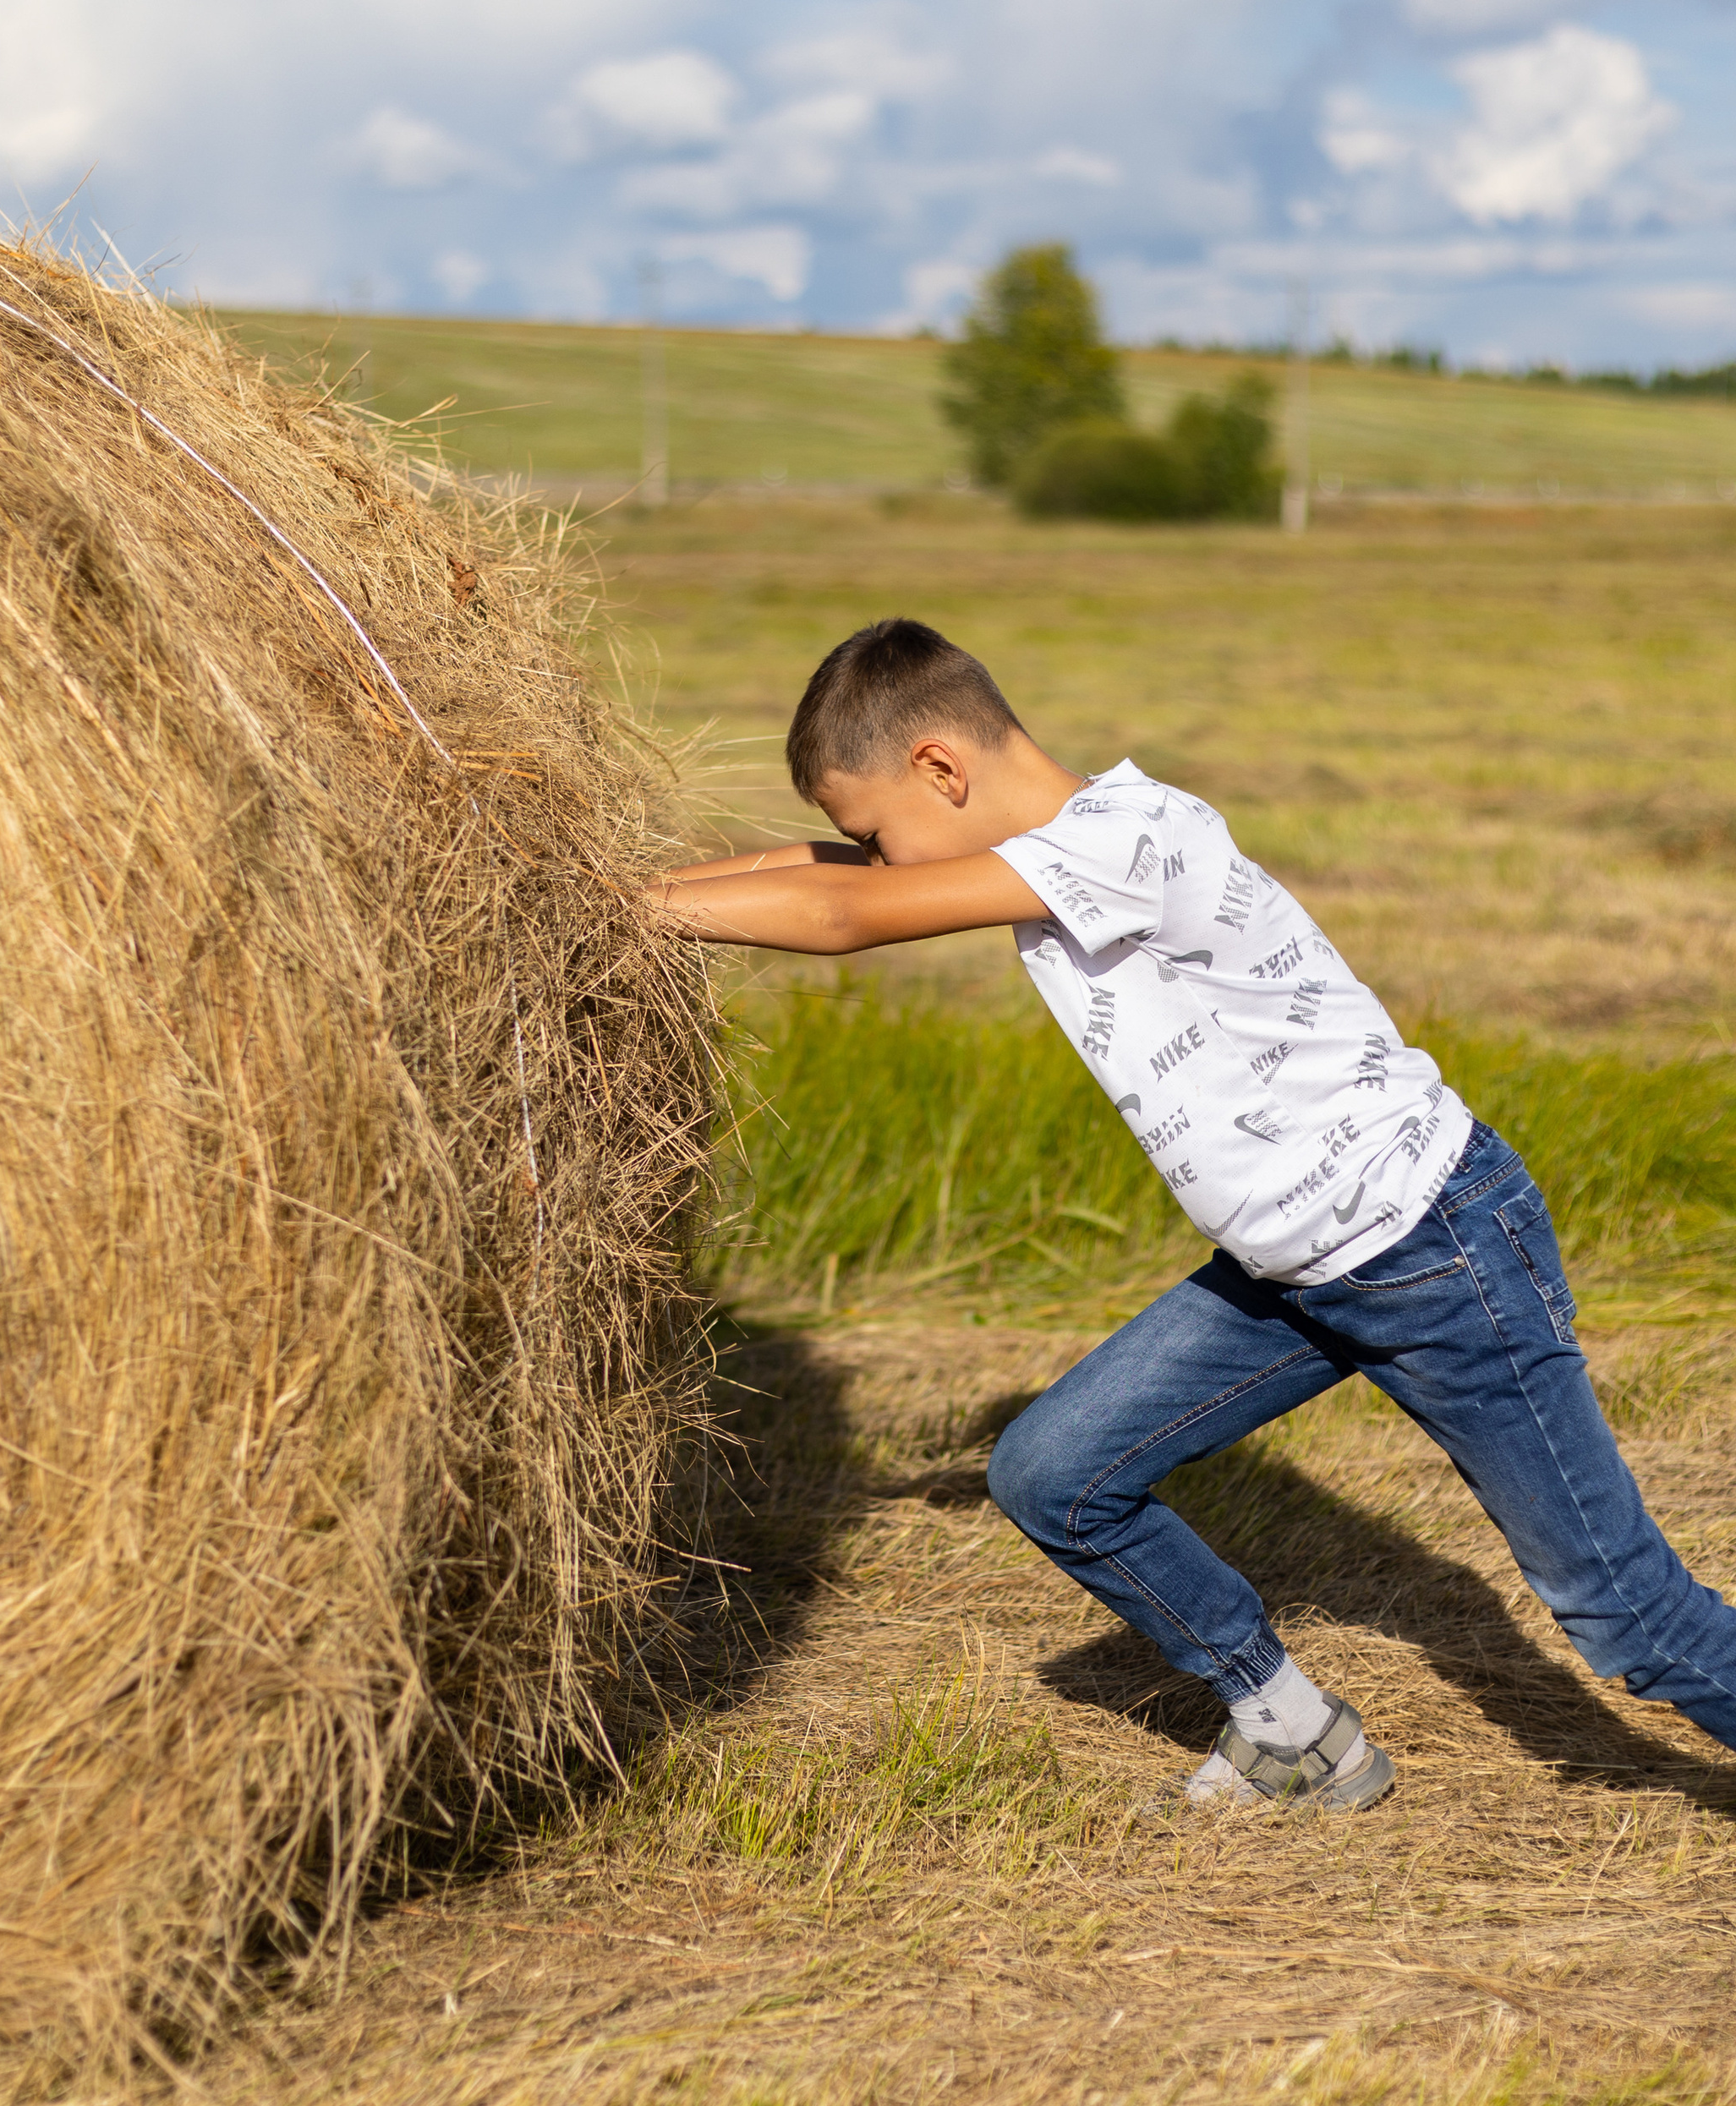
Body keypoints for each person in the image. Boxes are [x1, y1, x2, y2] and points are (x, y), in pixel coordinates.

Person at [650, 615, 1736, 1810]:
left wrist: (630, 912)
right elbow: (824, 873)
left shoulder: (1129, 839)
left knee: (1629, 1618)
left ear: (940, 769)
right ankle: (1293, 1733)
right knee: (1054, 1476)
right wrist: (603, 886)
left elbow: (843, 916)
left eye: (877, 833)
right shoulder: (1047, 847)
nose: (876, 859)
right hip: (1295, 1273)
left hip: (1433, 1253)